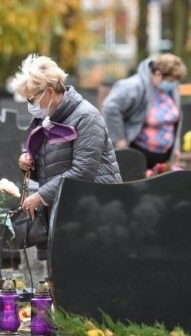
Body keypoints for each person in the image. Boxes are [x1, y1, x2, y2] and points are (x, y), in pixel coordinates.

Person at [13, 54, 121, 257]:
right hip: (65, 209)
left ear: (50, 92)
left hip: (93, 211)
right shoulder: (44, 118)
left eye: (32, 98)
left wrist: (42, 195)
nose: (30, 104)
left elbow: (83, 171)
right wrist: (27, 163)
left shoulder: (86, 117)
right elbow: (48, 164)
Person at [102, 54, 188, 169]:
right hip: (138, 154)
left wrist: (175, 147)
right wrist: (119, 139)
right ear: (157, 73)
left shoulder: (171, 89)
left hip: (163, 158)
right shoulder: (133, 86)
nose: (173, 84)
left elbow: (175, 121)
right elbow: (110, 107)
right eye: (171, 80)